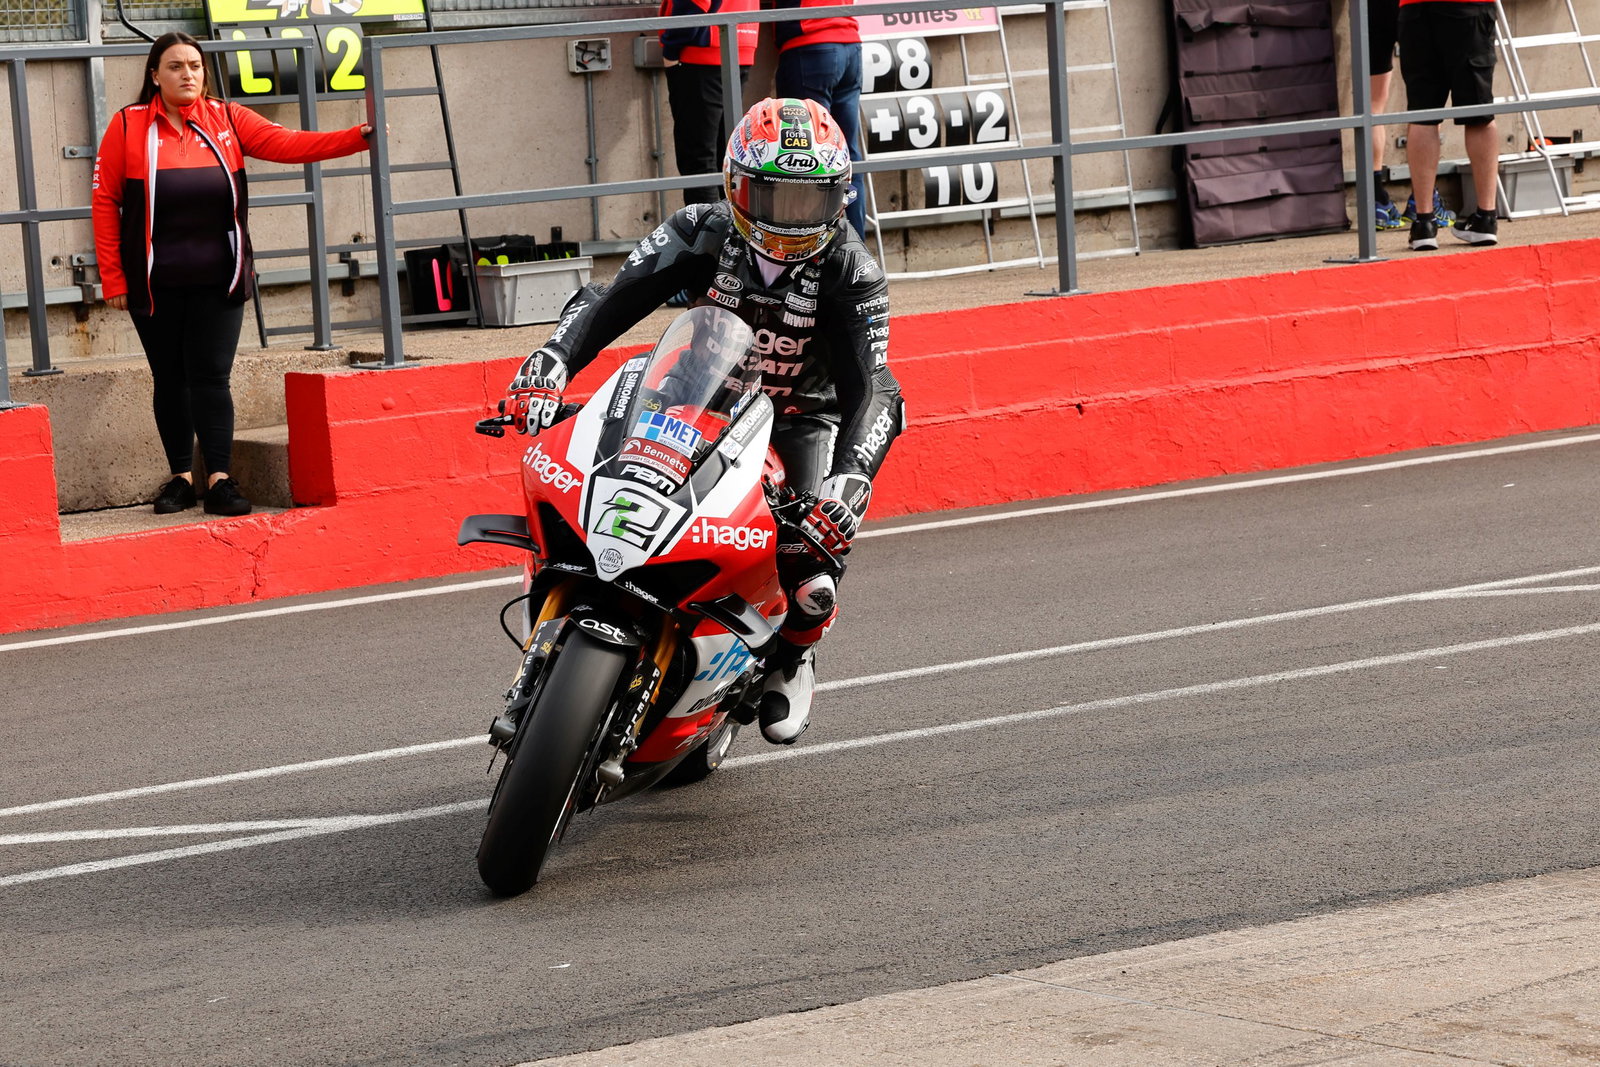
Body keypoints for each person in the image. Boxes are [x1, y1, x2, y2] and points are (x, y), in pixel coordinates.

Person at [502, 98, 904, 746]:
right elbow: (611, 300)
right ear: (736, 185)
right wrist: (555, 358)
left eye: (808, 202)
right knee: (610, 471)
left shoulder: (852, 271)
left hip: (798, 419)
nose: (789, 219)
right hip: (697, 390)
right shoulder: (700, 229)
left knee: (812, 565)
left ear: (839, 197)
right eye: (774, 196)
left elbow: (877, 387)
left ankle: (794, 657)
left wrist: (852, 479)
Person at [92, 31, 378, 516]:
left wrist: (357, 138)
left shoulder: (226, 118)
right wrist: (114, 278)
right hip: (153, 281)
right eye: (176, 66)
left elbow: (289, 144)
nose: (188, 74)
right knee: (170, 378)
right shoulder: (128, 125)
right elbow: (105, 202)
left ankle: (220, 478)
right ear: (154, 75)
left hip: (219, 275)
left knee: (211, 377)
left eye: (196, 66)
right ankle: (181, 478)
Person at [1398, 0, 1500, 250]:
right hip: (1468, 7)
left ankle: (1424, 224)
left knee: (1422, 114)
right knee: (1479, 113)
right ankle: (1486, 218)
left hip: (1416, 7)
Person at [773, 0, 868, 238]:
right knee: (848, 153)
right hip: (849, 41)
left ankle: (812, 250)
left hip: (811, 42)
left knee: (807, 156)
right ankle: (858, 251)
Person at [660, 0, 759, 206]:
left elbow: (692, 7)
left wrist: (670, 49)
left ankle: (707, 233)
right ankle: (728, 231)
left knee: (700, 160)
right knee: (726, 158)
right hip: (739, 43)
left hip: (702, 53)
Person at [1368, 0, 1455, 230]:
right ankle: (1422, 200)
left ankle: (1375, 200)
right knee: (1426, 104)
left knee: (1372, 105)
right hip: (1415, 6)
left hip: (1370, 8)